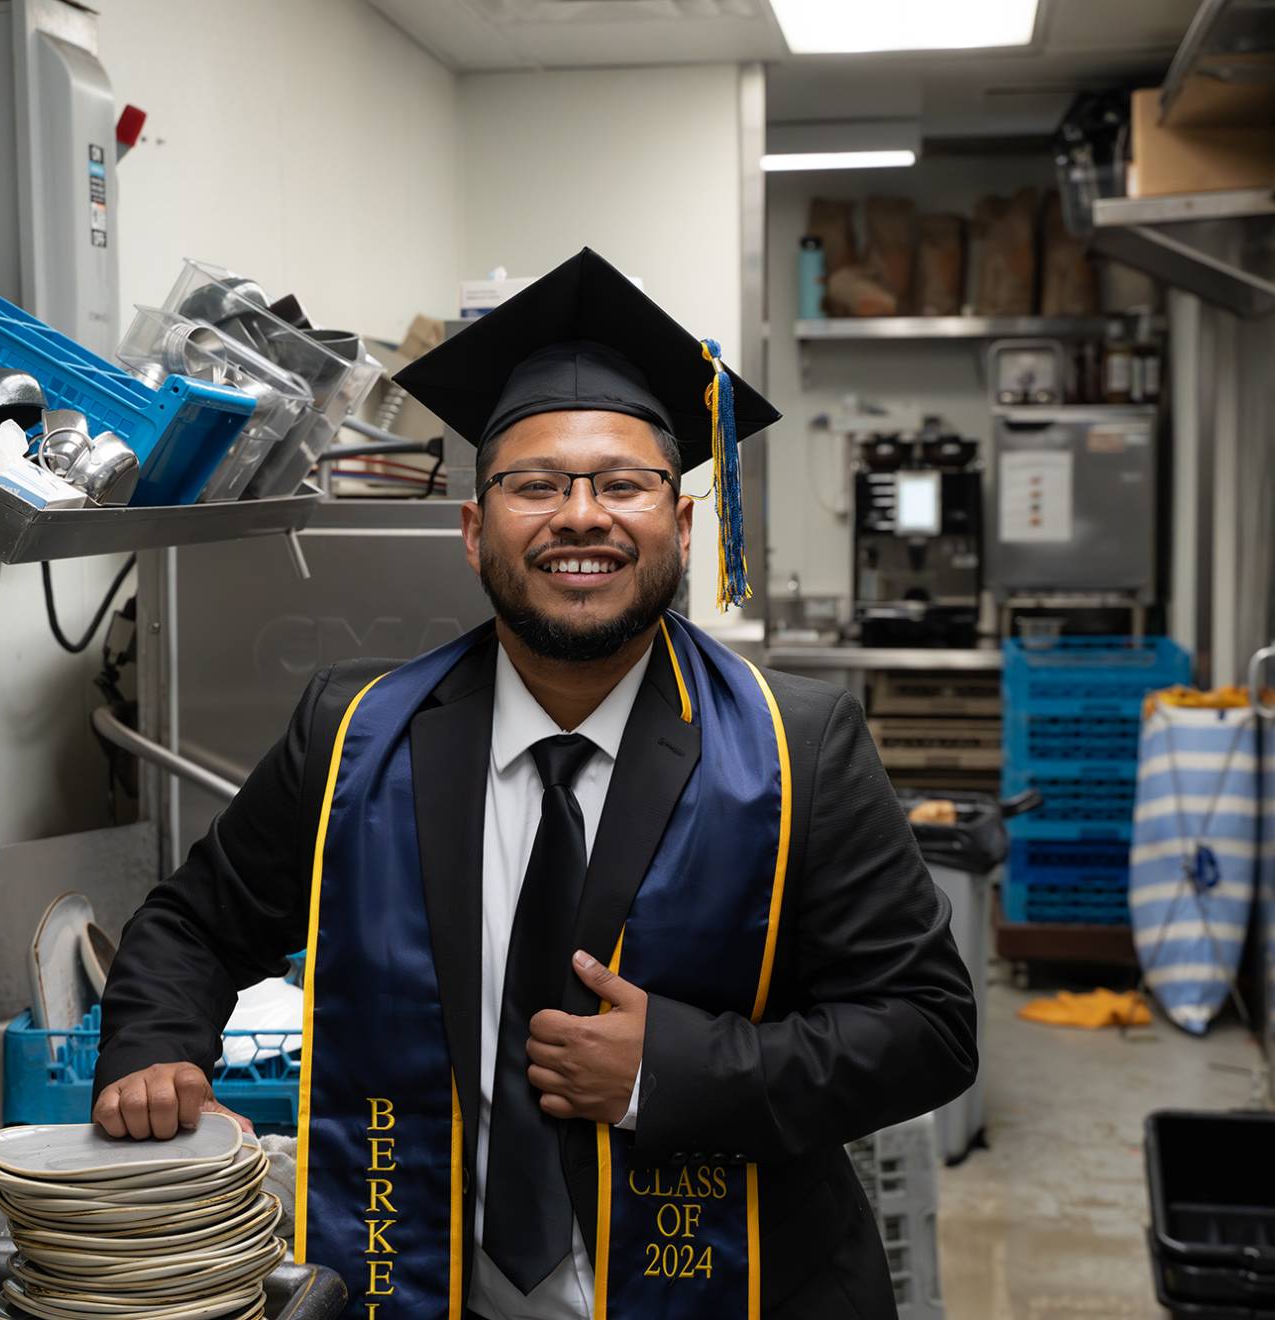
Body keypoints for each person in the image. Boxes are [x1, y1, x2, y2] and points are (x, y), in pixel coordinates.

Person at [93, 248, 977, 1320]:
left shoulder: (800, 747)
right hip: (419, 1281)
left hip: (743, 1287)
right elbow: (195, 923)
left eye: (622, 484)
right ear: (474, 533)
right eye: (537, 486)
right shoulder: (356, 733)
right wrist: (151, 1047)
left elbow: (929, 1028)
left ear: (682, 525)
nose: (582, 515)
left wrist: (673, 1070)